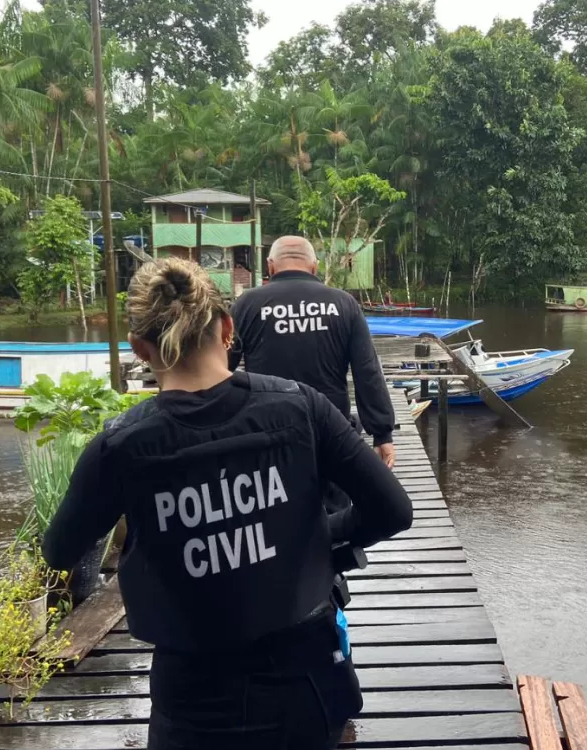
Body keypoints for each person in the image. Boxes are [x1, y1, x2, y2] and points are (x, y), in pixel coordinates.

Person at [41, 257, 413, 750]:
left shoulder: (120, 447)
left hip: (192, 703)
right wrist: (317, 534)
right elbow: (394, 510)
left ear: (139, 349)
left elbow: (60, 551)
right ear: (228, 329)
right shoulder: (302, 407)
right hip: (306, 687)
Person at [228, 236, 396, 470]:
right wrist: (382, 434)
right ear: (315, 266)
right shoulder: (344, 303)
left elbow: (221, 367)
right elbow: (366, 371)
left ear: (270, 265)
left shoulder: (245, 305)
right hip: (331, 428)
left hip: (268, 430)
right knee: (336, 500)